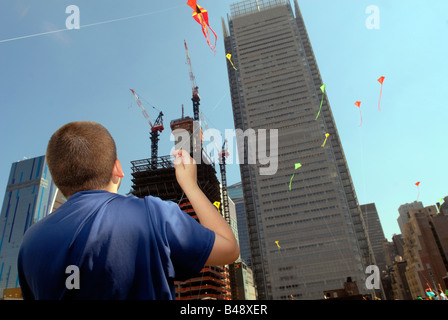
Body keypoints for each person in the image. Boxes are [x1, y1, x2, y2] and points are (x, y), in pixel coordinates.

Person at [17, 121, 239, 300]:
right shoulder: (152, 214)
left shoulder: (30, 243)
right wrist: (190, 185)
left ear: (57, 181)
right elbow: (229, 248)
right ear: (118, 169)